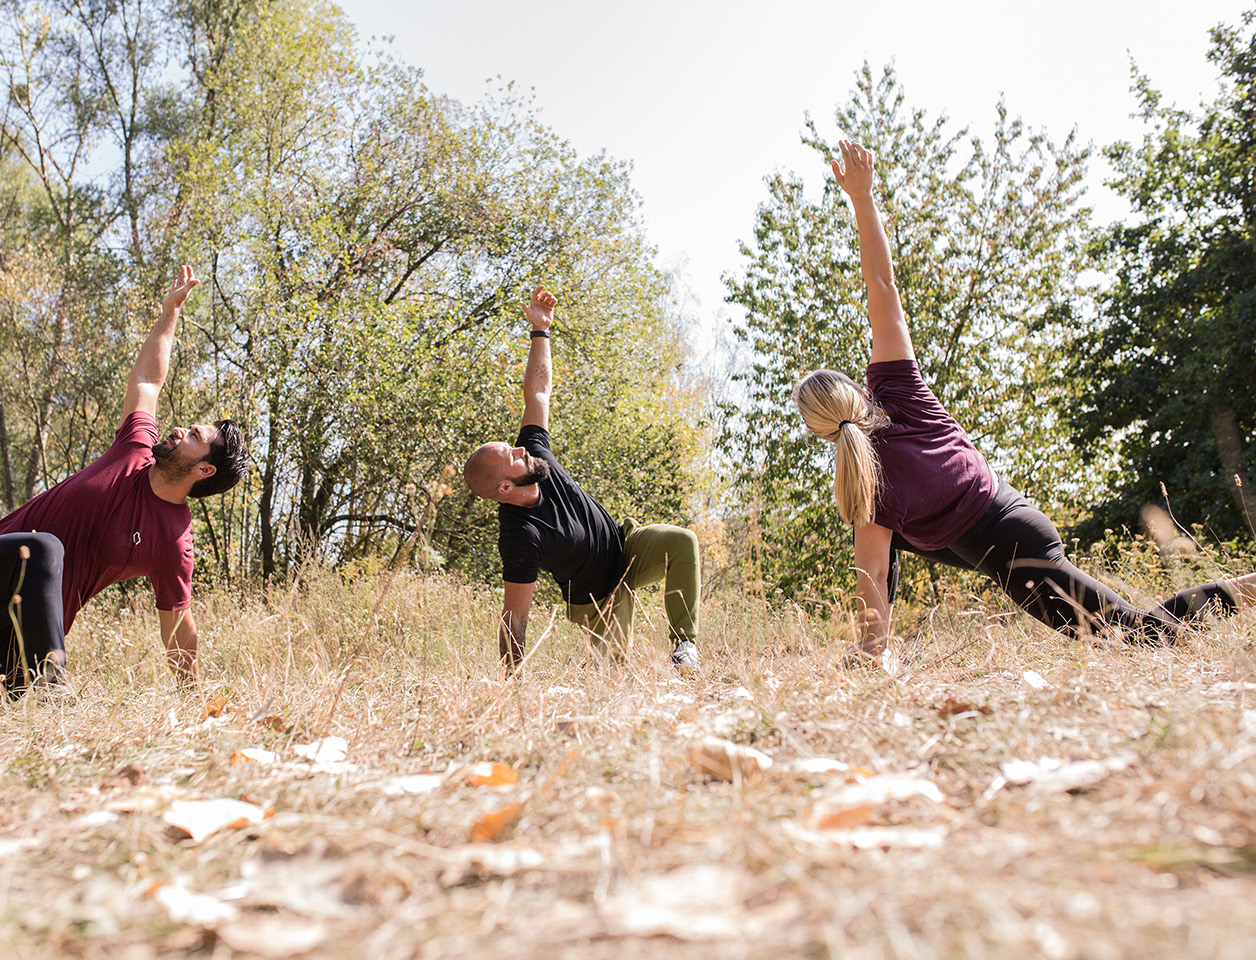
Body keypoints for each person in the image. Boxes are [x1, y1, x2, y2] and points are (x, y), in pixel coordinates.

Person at [796, 140, 1256, 660]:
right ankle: (872, 656)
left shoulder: (867, 490)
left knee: (1143, 638)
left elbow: (871, 576)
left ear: (822, 433)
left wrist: (870, 651)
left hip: (1014, 553)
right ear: (857, 390)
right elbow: (882, 286)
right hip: (1012, 517)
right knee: (891, 540)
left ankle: (1251, 588)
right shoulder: (897, 389)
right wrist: (863, 199)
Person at [0, 265, 249, 708]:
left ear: (205, 471)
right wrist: (169, 313)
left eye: (194, 437)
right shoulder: (134, 448)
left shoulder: (173, 542)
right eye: (188, 427)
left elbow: (178, 627)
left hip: (31, 627)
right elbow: (147, 381)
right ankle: (53, 686)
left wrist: (195, 704)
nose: (180, 431)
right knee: (44, 549)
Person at [463, 286, 702, 672]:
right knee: (617, 677)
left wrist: (541, 330)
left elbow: (538, 392)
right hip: (596, 600)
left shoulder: (536, 455)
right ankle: (601, 670)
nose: (520, 449)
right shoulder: (519, 536)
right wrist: (511, 685)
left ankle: (684, 647)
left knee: (682, 541)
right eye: (511, 456)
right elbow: (515, 618)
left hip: (626, 547)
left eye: (514, 446)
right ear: (505, 488)